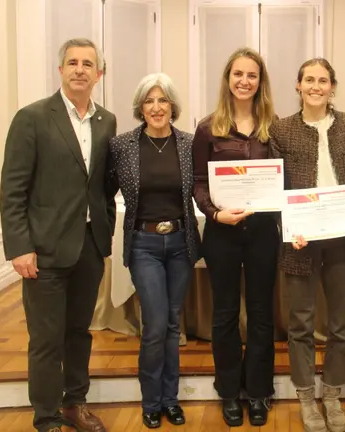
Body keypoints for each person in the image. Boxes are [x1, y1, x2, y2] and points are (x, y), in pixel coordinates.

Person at [0, 38, 116, 432]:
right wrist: (20, 247)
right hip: (44, 251)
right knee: (47, 339)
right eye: (73, 62)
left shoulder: (106, 121)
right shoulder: (32, 118)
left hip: (89, 248)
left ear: (99, 74)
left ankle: (74, 404)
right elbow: (13, 190)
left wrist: (105, 234)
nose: (80, 69)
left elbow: (102, 187)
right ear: (61, 70)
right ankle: (46, 416)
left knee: (79, 333)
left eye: (88, 64)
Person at [269, 57, 345, 432]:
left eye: (323, 80)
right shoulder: (281, 129)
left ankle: (332, 395)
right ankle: (306, 398)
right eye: (309, 80)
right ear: (298, 85)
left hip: (343, 238)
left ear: (332, 87)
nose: (316, 86)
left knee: (342, 323)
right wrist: (288, 226)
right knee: (300, 323)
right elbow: (276, 189)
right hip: (301, 241)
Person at [106, 72, 199, 429]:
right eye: (149, 101)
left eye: (163, 100)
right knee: (156, 324)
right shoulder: (122, 146)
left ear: (173, 106)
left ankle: (170, 400)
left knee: (173, 323)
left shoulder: (189, 144)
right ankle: (151, 401)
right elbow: (102, 190)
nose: (157, 107)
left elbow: (204, 188)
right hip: (143, 243)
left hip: (180, 243)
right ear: (140, 107)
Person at [192, 47, 279, 427]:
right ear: (228, 79)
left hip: (262, 233)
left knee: (261, 313)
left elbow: (284, 180)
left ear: (260, 82)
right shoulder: (208, 128)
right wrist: (215, 213)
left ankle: (258, 391)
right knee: (225, 313)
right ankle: (228, 391)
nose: (245, 81)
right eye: (238, 74)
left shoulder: (273, 127)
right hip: (222, 233)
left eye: (252, 75)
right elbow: (198, 183)